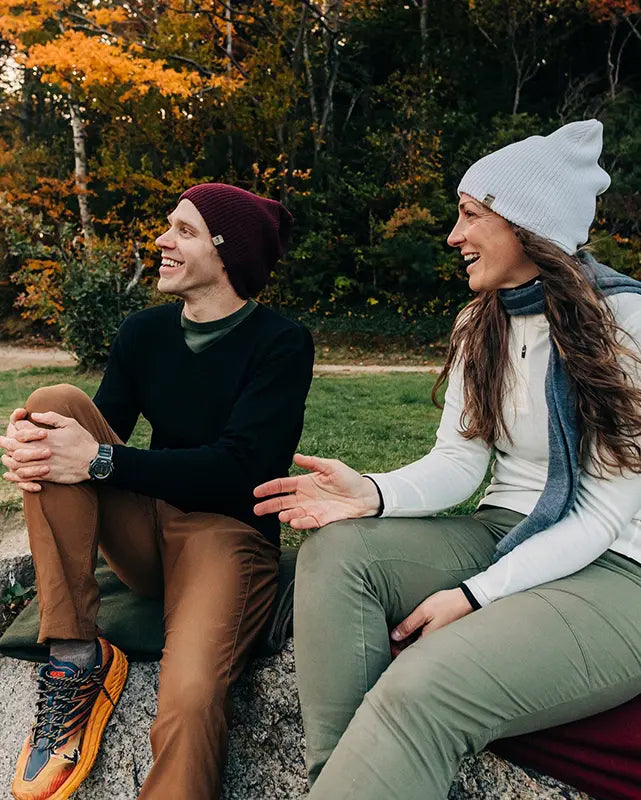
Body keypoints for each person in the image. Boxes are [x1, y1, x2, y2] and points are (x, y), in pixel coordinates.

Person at [253, 120, 641, 799]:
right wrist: (370, 492)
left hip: (619, 567)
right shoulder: (480, 321)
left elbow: (602, 515)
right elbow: (459, 462)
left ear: (526, 223)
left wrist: (474, 595)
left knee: (423, 685)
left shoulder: (624, 324)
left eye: (470, 215)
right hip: (504, 525)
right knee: (337, 551)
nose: (453, 235)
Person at [1, 183, 314, 800]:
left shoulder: (281, 343)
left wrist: (98, 461)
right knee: (51, 408)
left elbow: (239, 469)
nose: (162, 240)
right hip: (144, 529)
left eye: (184, 231)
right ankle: (75, 655)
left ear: (227, 254)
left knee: (192, 695)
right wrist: (36, 449)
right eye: (169, 226)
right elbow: (97, 433)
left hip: (225, 534)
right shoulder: (143, 332)